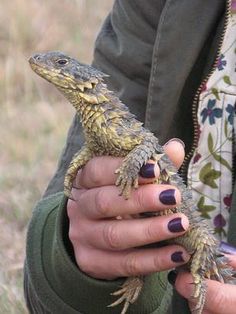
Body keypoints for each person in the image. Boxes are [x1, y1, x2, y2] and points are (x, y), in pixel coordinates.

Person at [24, 0, 236, 313]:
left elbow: (143, 147)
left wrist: (130, 170)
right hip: (163, 257)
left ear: (89, 80)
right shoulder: (100, 117)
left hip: (193, 232)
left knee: (200, 246)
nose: (50, 64)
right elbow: (43, 288)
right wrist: (78, 263)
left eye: (62, 64)